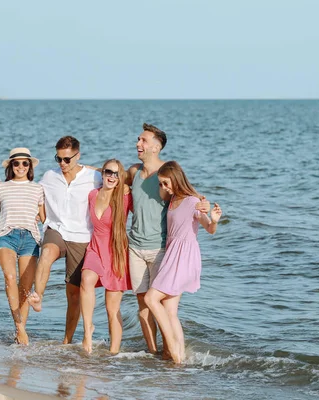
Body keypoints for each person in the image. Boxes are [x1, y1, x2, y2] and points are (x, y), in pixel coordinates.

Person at [125, 123, 209, 355]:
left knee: (162, 305)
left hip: (163, 249)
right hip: (135, 248)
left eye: (143, 140)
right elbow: (109, 174)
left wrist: (204, 206)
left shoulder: (166, 174)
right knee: (143, 306)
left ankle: (170, 353)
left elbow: (186, 194)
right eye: (138, 139)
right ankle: (154, 354)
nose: (137, 144)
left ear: (156, 146)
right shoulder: (133, 172)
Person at [144, 161, 222, 364]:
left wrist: (213, 218)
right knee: (170, 311)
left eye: (166, 183)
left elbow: (210, 229)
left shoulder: (191, 201)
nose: (163, 188)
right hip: (172, 255)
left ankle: (173, 351)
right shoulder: (173, 200)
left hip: (183, 257)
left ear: (176, 180)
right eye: (161, 184)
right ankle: (180, 358)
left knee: (151, 299)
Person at [27, 136, 102, 344]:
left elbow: (117, 179)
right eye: (58, 158)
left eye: (67, 159)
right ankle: (38, 296)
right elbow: (34, 194)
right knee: (47, 252)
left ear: (78, 156)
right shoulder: (50, 176)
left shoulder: (94, 177)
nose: (62, 164)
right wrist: (40, 218)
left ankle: (67, 341)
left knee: (74, 294)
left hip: (82, 236)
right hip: (57, 229)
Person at [80, 159, 132, 354]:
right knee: (86, 280)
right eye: (108, 172)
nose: (112, 176)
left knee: (112, 308)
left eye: (116, 174)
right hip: (95, 248)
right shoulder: (93, 194)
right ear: (102, 173)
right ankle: (87, 332)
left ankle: (113, 353)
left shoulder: (125, 197)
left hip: (117, 251)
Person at [0, 148, 45, 345]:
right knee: (9, 277)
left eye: (25, 163)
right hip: (6, 235)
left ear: (30, 166)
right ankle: (20, 328)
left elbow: (45, 218)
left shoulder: (37, 188)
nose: (21, 167)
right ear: (11, 166)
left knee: (25, 288)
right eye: (17, 163)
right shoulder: (1, 187)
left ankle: (20, 330)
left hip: (30, 238)